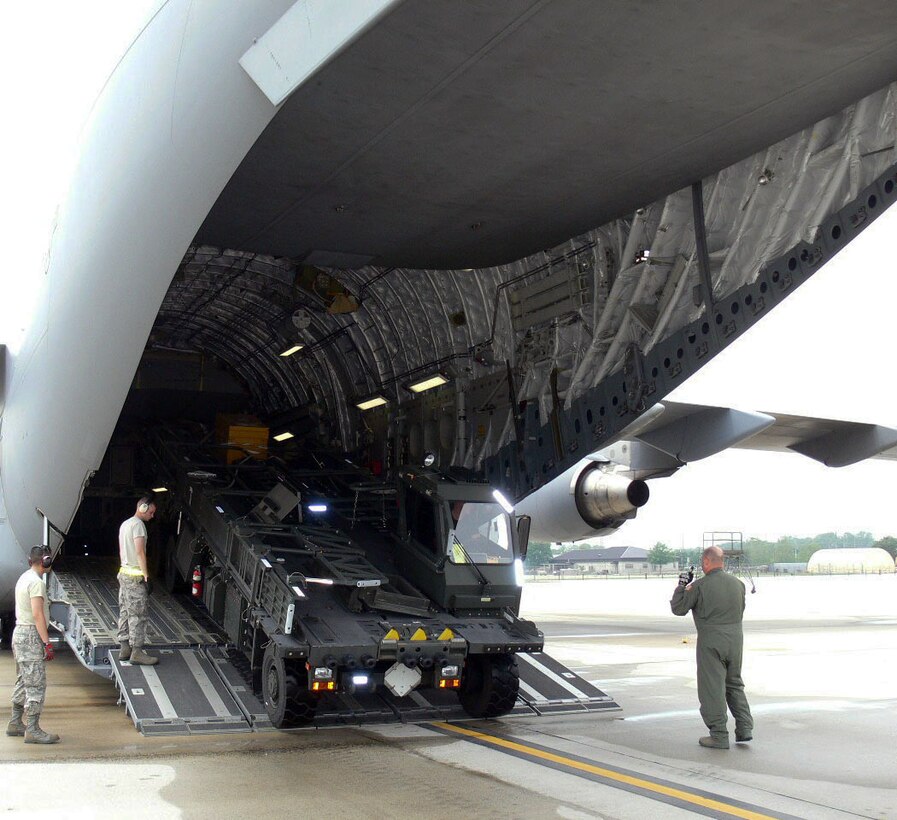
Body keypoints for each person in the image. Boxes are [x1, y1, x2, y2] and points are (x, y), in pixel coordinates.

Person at [670, 546, 753, 749]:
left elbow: (678, 608)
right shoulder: (738, 584)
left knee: (712, 689)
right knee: (734, 683)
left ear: (706, 561)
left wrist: (681, 586)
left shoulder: (699, 586)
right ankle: (744, 728)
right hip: (735, 640)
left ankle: (718, 735)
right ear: (722, 561)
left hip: (711, 641)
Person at [7, 546, 60, 744]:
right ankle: (32, 729)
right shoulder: (36, 583)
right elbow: (38, 614)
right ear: (45, 561)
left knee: (23, 680)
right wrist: (47, 643)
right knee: (36, 685)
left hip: (19, 633)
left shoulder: (24, 577)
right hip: (30, 635)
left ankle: (15, 722)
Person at [116, 496, 159, 666]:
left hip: (124, 574)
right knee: (138, 615)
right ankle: (137, 652)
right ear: (142, 508)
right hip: (135, 577)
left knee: (125, 612)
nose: (152, 516)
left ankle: (124, 648)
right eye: (151, 512)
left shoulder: (125, 524)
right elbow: (140, 552)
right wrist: (146, 576)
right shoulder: (139, 526)